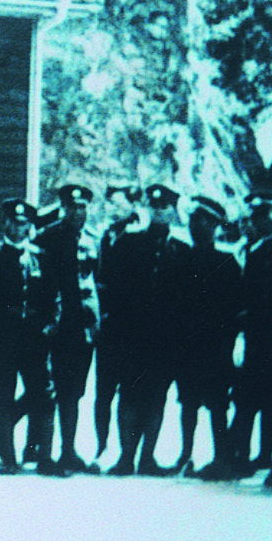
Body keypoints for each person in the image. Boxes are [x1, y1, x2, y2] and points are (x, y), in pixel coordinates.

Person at [0, 199, 58, 475]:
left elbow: (53, 297)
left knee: (43, 394)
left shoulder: (41, 257)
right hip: (2, 337)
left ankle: (45, 458)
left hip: (34, 336)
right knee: (3, 394)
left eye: (25, 224)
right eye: (15, 223)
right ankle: (9, 458)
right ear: (6, 223)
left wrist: (50, 325)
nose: (20, 228)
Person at [106, 184, 186, 475]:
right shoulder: (129, 242)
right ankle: (126, 457)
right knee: (128, 394)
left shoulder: (181, 250)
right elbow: (113, 288)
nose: (159, 212)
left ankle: (147, 457)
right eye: (155, 207)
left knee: (156, 396)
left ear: (173, 211)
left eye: (165, 207)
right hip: (132, 336)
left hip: (165, 339)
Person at [174, 196, 243, 477]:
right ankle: (185, 455)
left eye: (202, 222)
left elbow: (236, 309)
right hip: (186, 345)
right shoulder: (180, 259)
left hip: (216, 347)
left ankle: (221, 457)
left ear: (214, 226)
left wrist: (227, 342)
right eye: (193, 221)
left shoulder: (227, 262)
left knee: (217, 404)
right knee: (187, 402)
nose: (195, 227)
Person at [36, 184, 98, 473]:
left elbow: (95, 282)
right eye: (71, 207)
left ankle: (68, 451)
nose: (77, 212)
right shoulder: (47, 237)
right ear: (62, 209)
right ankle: (40, 450)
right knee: (50, 389)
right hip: (56, 325)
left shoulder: (92, 239)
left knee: (74, 392)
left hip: (82, 327)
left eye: (82, 207)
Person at [231, 192, 272, 481]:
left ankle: (269, 455)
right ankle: (242, 454)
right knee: (248, 397)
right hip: (255, 337)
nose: (259, 222)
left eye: (264, 215)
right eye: (255, 217)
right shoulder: (255, 251)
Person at [91, 184, 141, 464]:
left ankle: (126, 452)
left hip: (131, 328)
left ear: (131, 206)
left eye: (118, 204)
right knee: (103, 393)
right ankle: (102, 447)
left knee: (129, 393)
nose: (112, 209)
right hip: (107, 328)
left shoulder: (138, 236)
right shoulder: (104, 236)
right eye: (109, 203)